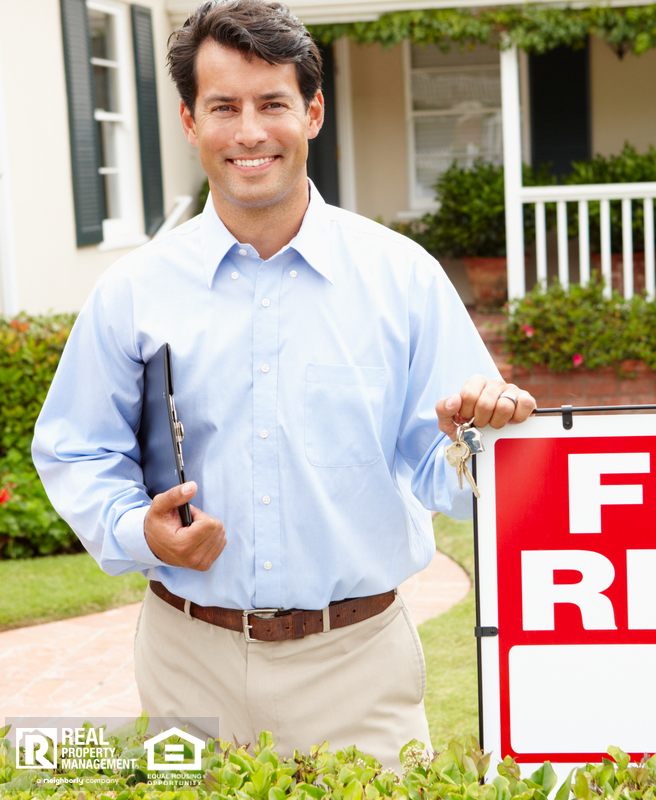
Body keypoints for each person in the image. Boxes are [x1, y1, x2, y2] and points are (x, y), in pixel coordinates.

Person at [31, 0, 535, 769]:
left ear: (313, 111)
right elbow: (75, 449)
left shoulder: (401, 280)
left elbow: (454, 477)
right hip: (184, 658)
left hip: (356, 666)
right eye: (223, 107)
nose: (250, 132)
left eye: (273, 103)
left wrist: (478, 437)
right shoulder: (133, 291)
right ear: (190, 121)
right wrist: (140, 532)